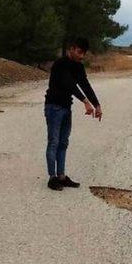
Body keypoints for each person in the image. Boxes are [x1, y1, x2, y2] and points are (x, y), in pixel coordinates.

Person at [44, 37, 103, 191]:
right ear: (71, 48)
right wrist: (84, 101)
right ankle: (52, 178)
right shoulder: (60, 64)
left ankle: (62, 176)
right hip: (53, 107)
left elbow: (85, 85)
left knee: (63, 143)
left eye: (84, 53)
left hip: (65, 108)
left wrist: (97, 104)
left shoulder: (79, 67)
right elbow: (68, 83)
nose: (81, 56)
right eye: (79, 52)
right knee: (54, 142)